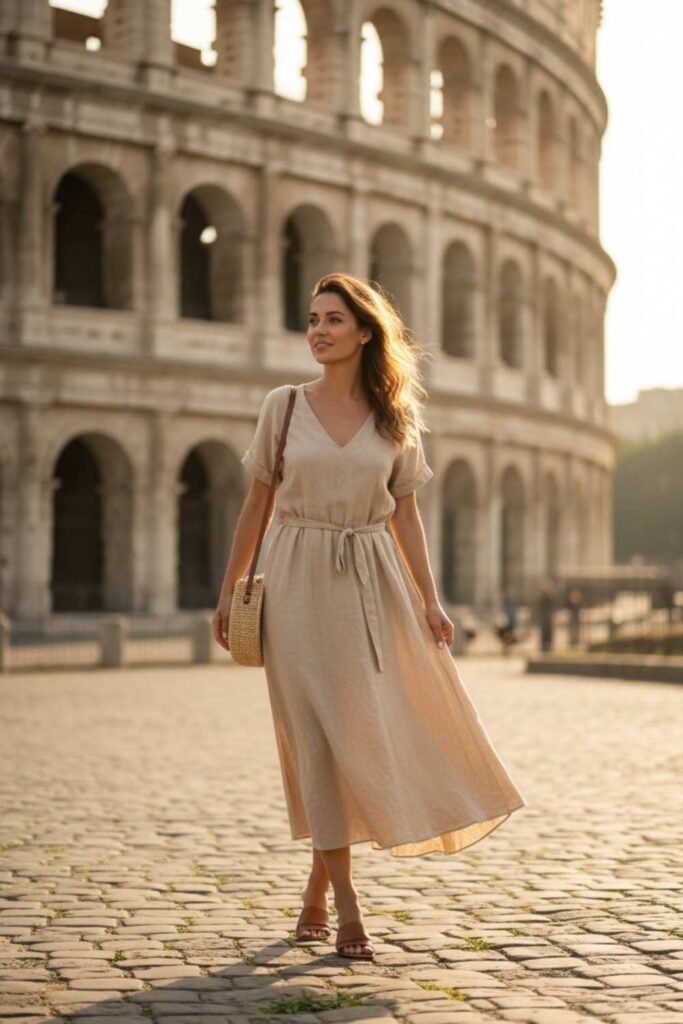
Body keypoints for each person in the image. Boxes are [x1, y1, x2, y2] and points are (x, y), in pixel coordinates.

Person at [213, 273, 526, 961]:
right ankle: (348, 906)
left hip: (373, 583)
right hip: (295, 583)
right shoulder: (283, 407)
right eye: (311, 318)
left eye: (333, 319)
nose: (317, 330)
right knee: (317, 741)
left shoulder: (396, 418)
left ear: (364, 332)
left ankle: (315, 891)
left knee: (359, 736)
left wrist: (429, 598)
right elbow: (256, 503)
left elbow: (406, 515)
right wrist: (231, 583)